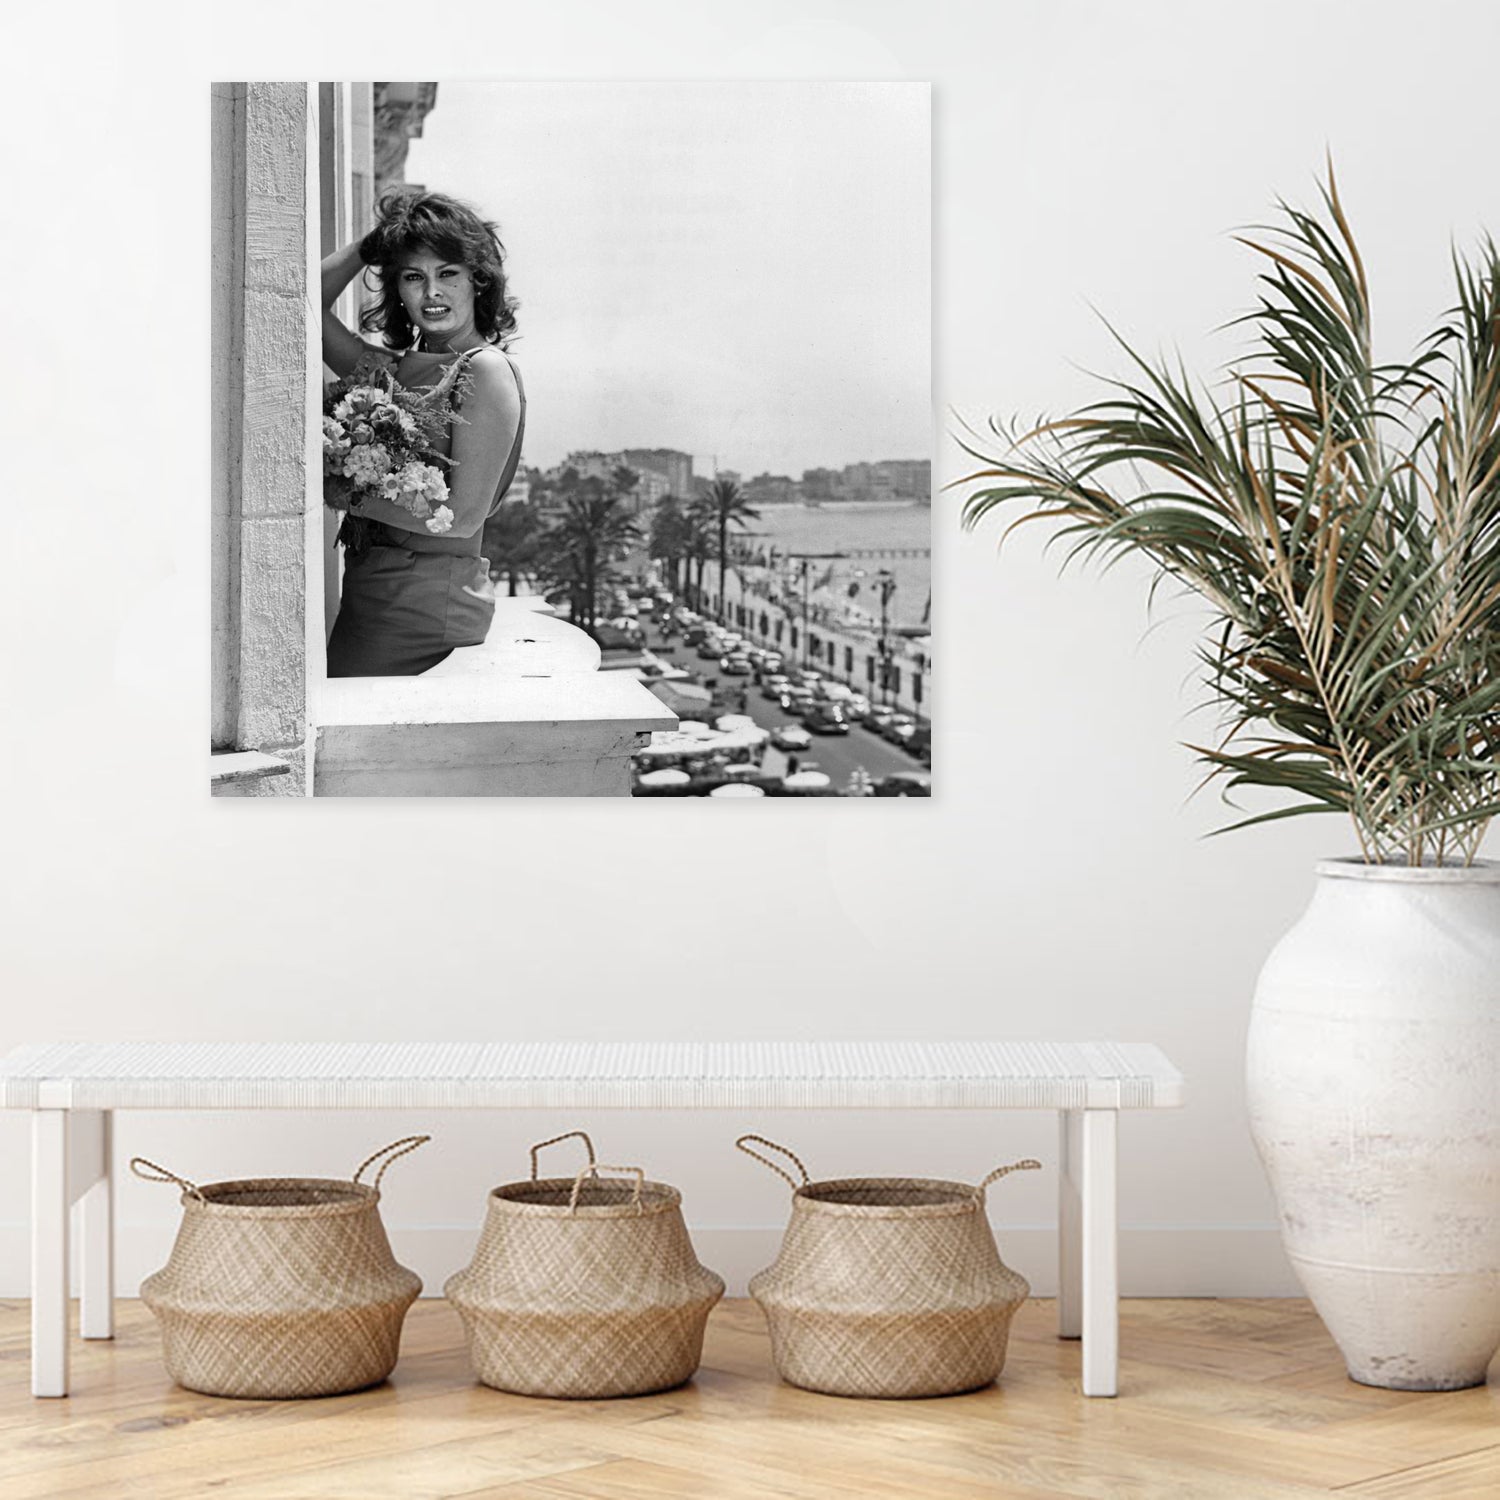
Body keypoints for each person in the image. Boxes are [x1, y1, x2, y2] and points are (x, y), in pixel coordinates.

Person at [321, 189, 526, 676]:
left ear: (478, 280)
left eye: (447, 274)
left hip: (425, 612)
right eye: (414, 277)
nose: (431, 293)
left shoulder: (485, 370)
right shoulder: (392, 368)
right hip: (370, 594)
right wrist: (373, 245)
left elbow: (459, 517)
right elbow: (302, 307)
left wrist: (336, 490)